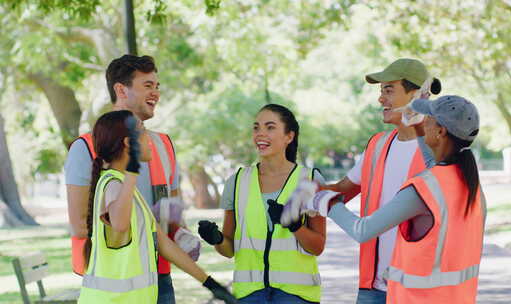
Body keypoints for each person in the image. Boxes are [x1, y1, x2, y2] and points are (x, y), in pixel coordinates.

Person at [284, 95, 487, 304]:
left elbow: (362, 230)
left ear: (441, 131)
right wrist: (417, 127)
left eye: (428, 118)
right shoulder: (471, 186)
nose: (424, 120)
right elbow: (432, 158)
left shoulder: (424, 188)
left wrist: (325, 201)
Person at [65, 54, 197, 304]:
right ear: (120, 90)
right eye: (147, 85)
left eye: (157, 86)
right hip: (113, 283)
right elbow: (80, 223)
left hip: (159, 280)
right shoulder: (85, 147)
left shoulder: (163, 145)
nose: (156, 93)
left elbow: (172, 209)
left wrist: (182, 233)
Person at [78, 110, 236, 303]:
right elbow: (119, 224)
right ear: (130, 144)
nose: (149, 139)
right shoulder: (112, 184)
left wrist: (210, 284)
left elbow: (164, 244)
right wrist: (133, 169)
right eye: (143, 132)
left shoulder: (131, 194)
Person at [317, 58, 441, 303]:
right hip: (372, 289)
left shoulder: (437, 150)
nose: (381, 99)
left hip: (416, 289)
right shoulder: (378, 145)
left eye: (389, 90)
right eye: (381, 91)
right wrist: (306, 188)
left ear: (418, 95)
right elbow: (342, 190)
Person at [197, 104, 326, 303]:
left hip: (296, 296)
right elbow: (229, 250)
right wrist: (217, 239)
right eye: (256, 127)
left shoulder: (310, 180)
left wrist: (294, 225)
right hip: (249, 294)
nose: (260, 134)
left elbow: (317, 246)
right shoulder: (237, 181)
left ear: (289, 137)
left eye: (270, 127)